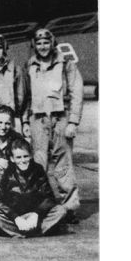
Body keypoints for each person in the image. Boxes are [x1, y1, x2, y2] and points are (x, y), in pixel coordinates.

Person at [25, 28, 84, 219]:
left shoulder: (66, 64)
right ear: (35, 45)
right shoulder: (30, 65)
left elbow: (77, 92)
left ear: (52, 43)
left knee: (63, 164)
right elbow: (25, 95)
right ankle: (43, 206)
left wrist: (73, 121)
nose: (43, 47)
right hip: (38, 119)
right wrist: (26, 121)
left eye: (46, 42)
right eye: (39, 43)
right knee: (38, 163)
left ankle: (70, 208)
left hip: (60, 118)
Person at [0, 139, 68, 238]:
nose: (22, 161)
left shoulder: (38, 169)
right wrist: (15, 218)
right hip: (12, 216)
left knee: (61, 210)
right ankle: (31, 232)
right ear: (12, 158)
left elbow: (49, 197)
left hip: (33, 215)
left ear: (31, 156)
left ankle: (21, 232)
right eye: (18, 157)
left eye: (25, 156)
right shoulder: (4, 171)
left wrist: (36, 214)